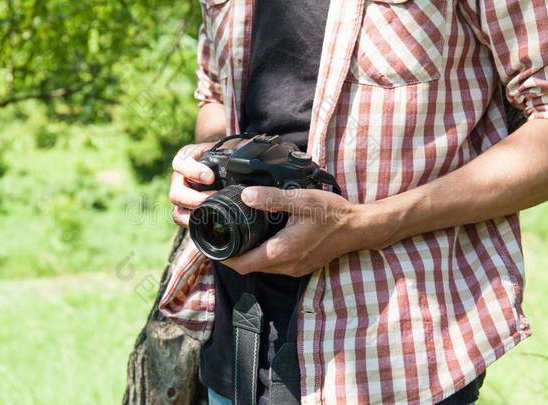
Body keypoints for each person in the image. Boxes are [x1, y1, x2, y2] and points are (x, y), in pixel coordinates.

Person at [160, 0, 548, 403]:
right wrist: (205, 159)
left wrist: (366, 224)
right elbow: (215, 98)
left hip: (393, 359)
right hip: (234, 335)